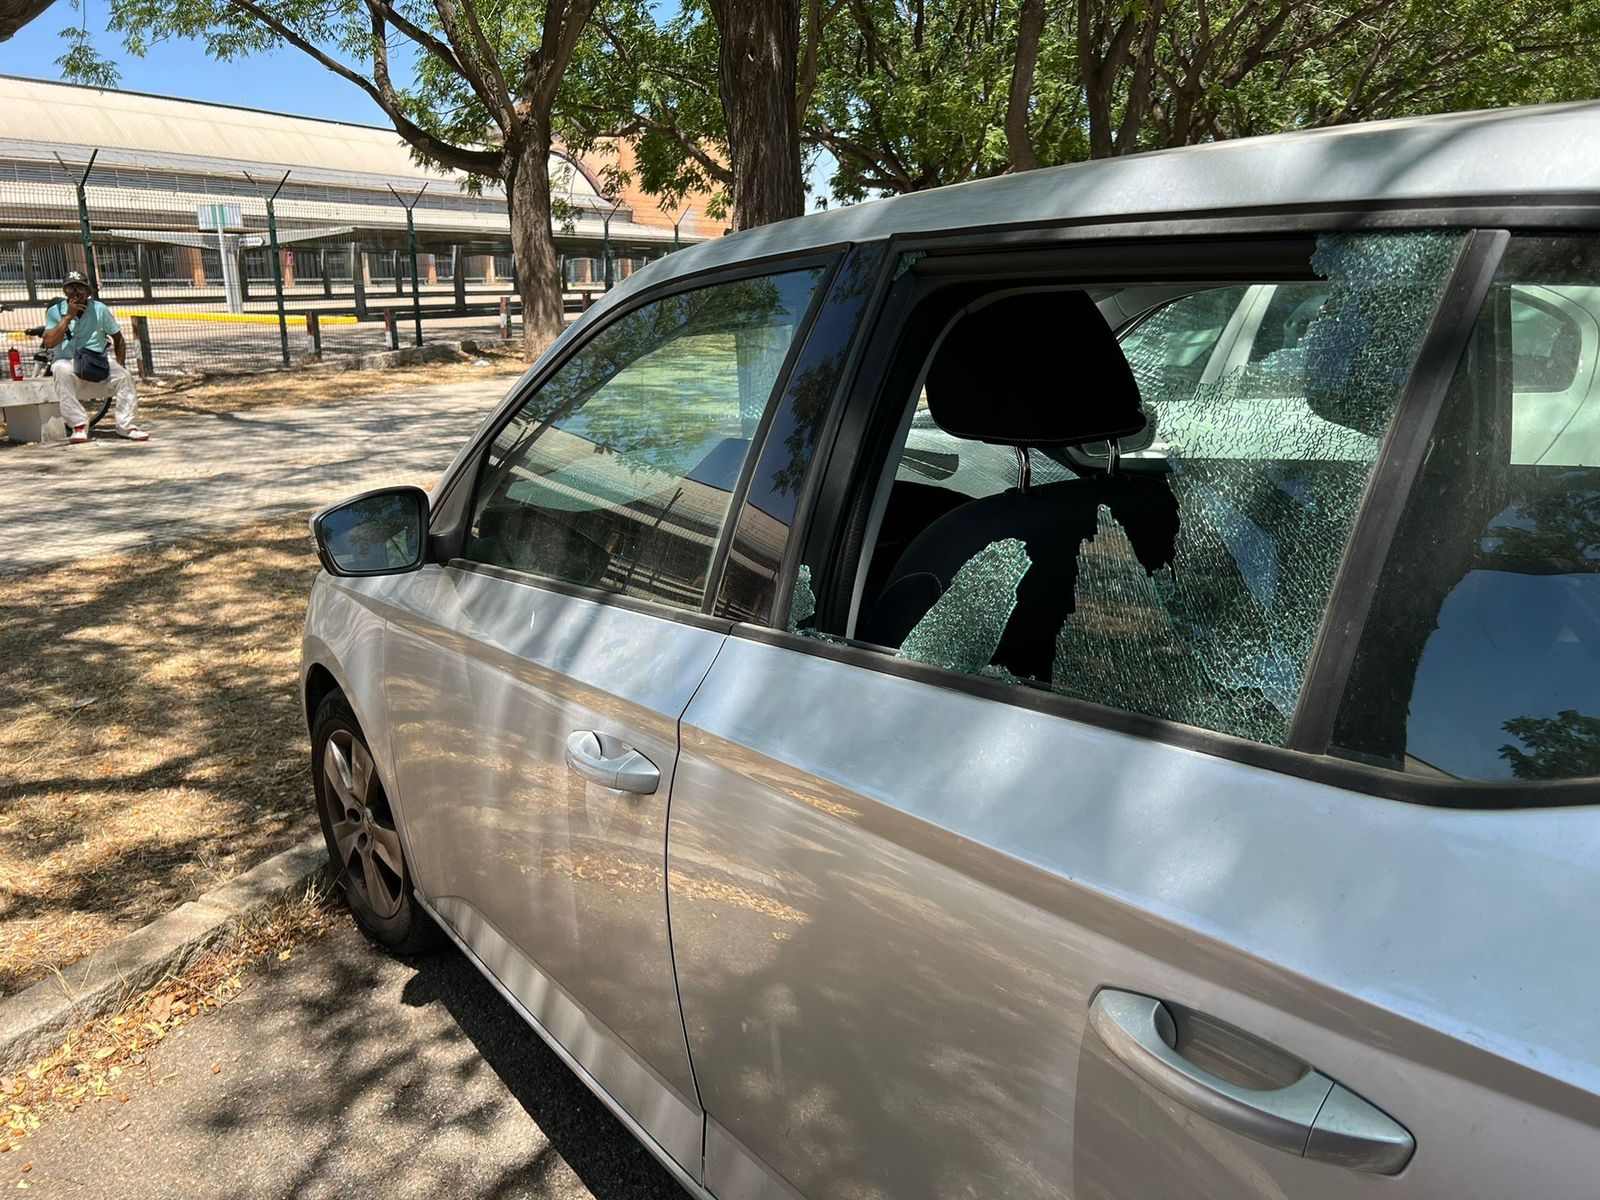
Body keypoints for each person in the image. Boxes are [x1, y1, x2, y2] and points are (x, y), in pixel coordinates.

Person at [40, 271, 149, 443]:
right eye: (70, 288)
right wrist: (68, 317)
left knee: (124, 377)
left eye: (80, 288)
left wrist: (120, 364)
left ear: (88, 292)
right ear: (64, 291)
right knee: (60, 369)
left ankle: (127, 426)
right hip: (68, 361)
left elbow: (118, 339)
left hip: (95, 360)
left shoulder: (99, 309)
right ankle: (78, 425)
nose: (75, 293)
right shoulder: (55, 311)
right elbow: (49, 342)